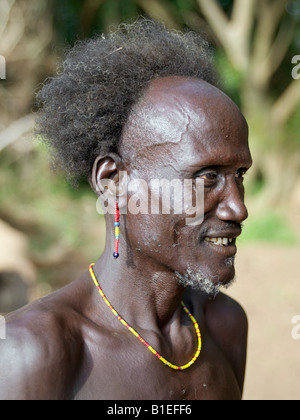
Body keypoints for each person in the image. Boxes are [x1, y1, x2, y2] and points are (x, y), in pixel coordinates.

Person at [0, 19, 252, 400]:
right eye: (206, 177)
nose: (238, 208)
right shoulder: (36, 352)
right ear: (113, 181)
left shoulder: (223, 325)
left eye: (240, 175)